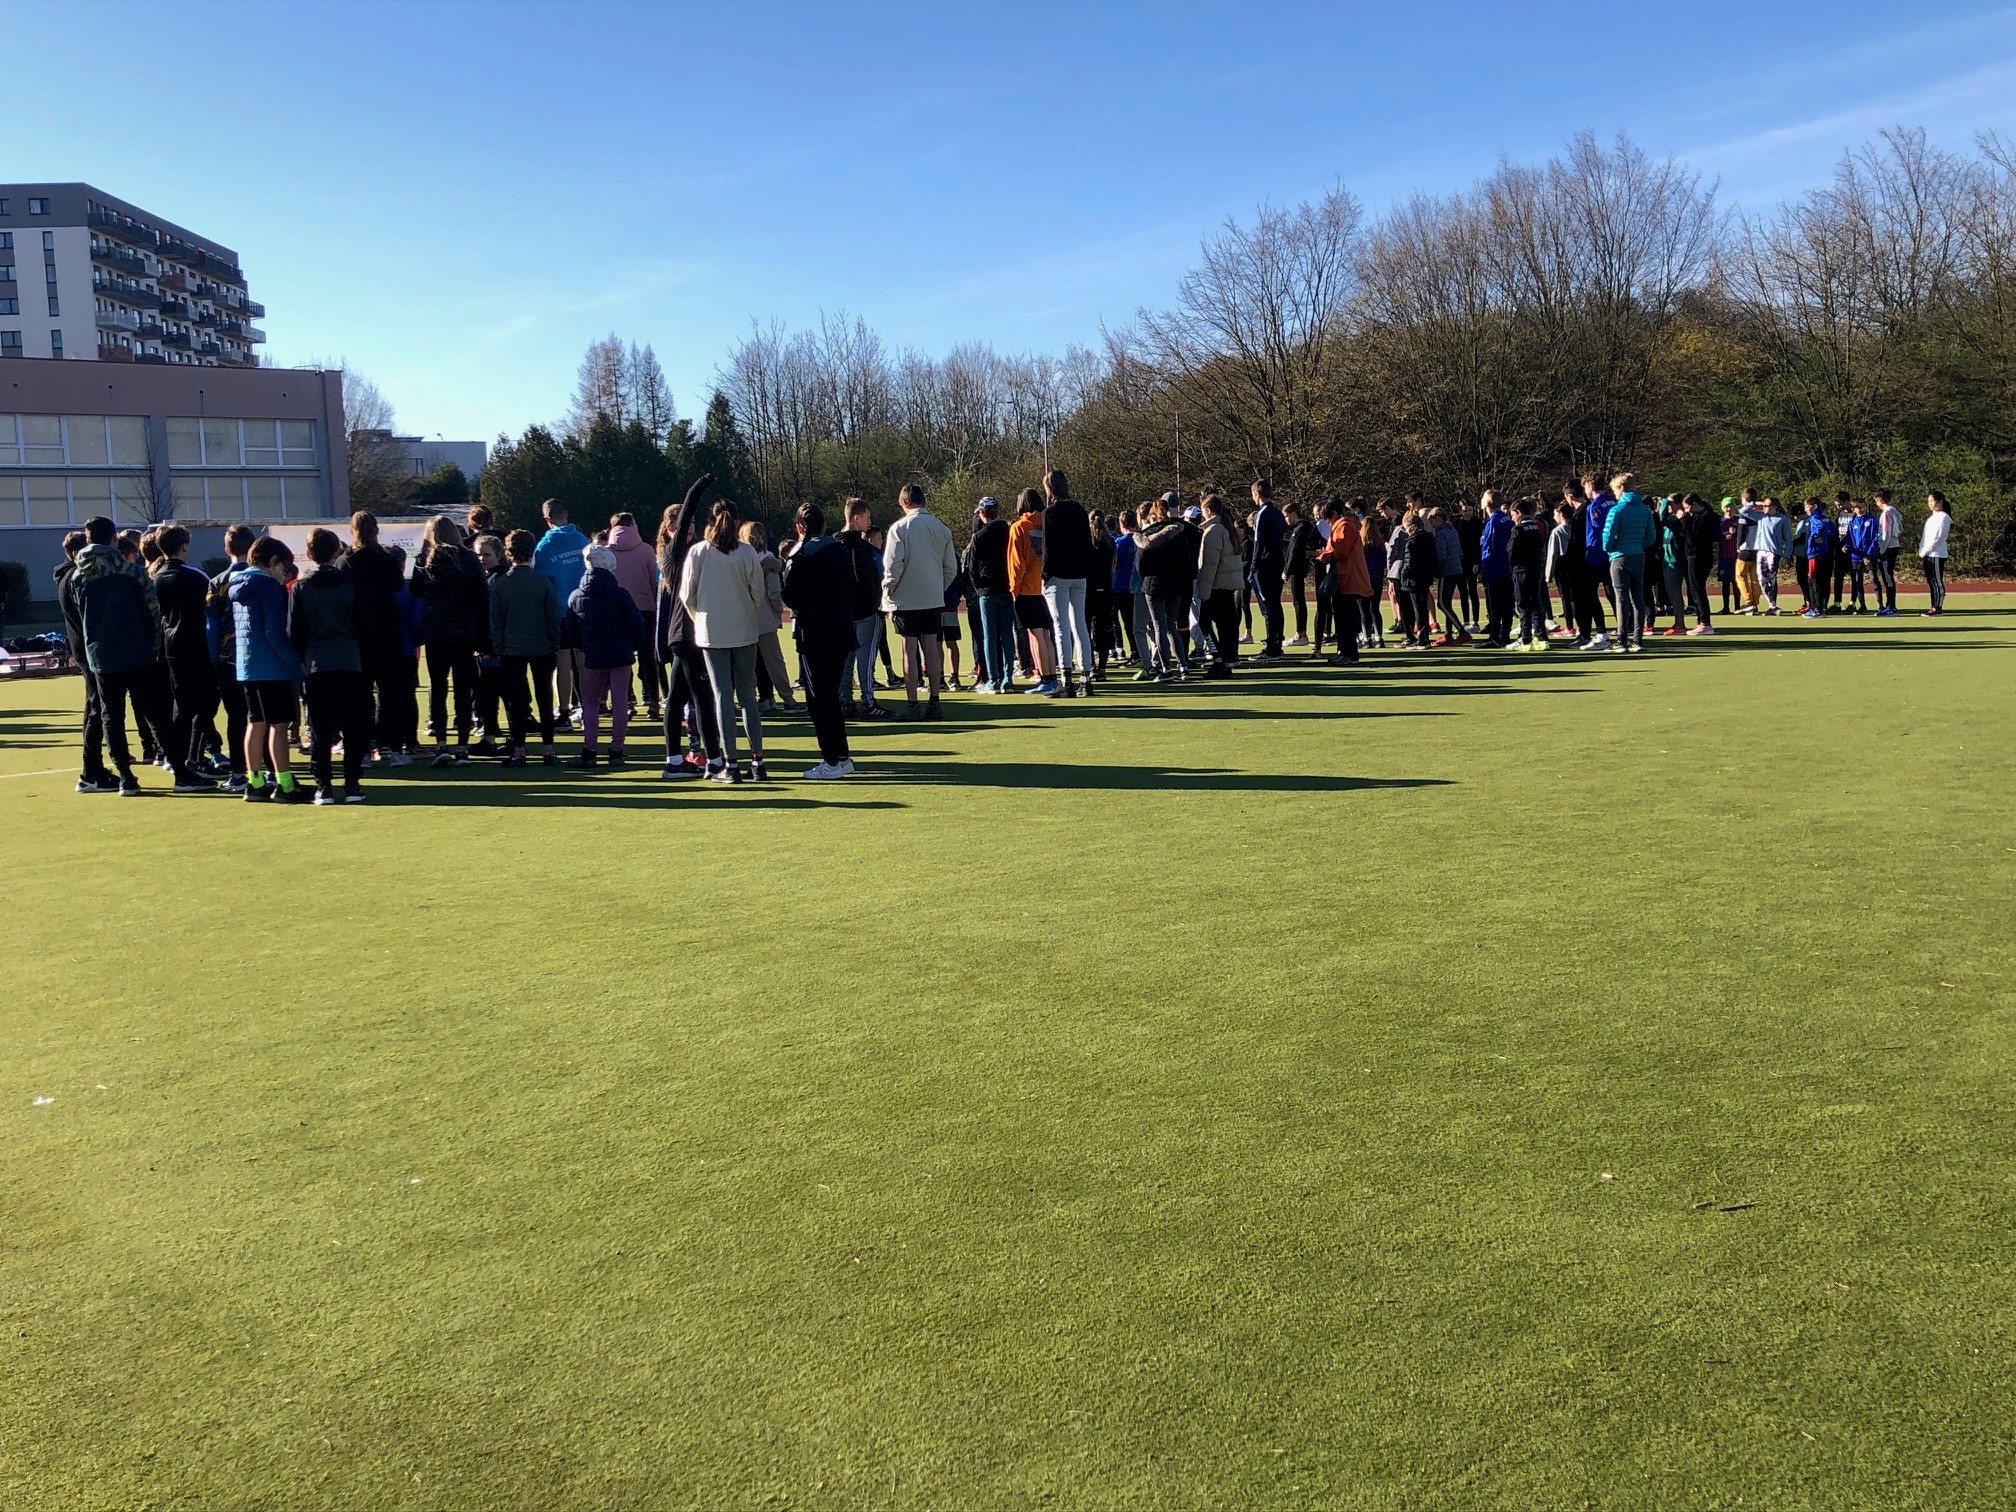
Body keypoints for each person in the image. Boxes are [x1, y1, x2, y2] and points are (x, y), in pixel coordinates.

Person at [63, 516, 214, 796]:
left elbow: (80, 615)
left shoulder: (76, 577)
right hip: (137, 652)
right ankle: (180, 773)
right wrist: (153, 647)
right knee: (157, 715)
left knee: (112, 717)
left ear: (88, 540)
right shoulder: (131, 572)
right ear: (113, 538)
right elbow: (152, 613)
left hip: (100, 655)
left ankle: (126, 777)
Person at [679, 500, 770, 781]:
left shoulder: (698, 552)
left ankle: (730, 764)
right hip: (744, 629)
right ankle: (757, 761)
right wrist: (747, 614)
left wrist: (700, 619)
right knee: (747, 697)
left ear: (710, 520)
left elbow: (687, 595)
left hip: (712, 631)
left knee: (722, 696)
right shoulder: (747, 552)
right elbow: (758, 593)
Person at [286, 527, 370, 804]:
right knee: (353, 725)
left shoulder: (301, 587)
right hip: (349, 660)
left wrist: (303, 657)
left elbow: (294, 631)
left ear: (308, 554)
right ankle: (352, 784)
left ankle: (323, 786)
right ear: (337, 552)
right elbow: (363, 624)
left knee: (319, 727)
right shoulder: (351, 584)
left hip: (316, 663)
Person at [655, 472, 725, 776]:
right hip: (688, 633)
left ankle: (674, 761)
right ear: (670, 527)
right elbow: (687, 511)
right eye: (686, 522)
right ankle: (715, 760)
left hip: (684, 635)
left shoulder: (699, 548)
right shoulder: (673, 552)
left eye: (695, 522)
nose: (691, 526)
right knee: (703, 698)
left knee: (676, 698)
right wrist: (703, 483)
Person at [780, 504, 857, 779]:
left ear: (800, 527)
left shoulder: (801, 556)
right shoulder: (839, 551)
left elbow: (790, 596)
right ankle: (842, 757)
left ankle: (831, 761)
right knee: (831, 696)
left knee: (819, 700)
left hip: (815, 635)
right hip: (841, 632)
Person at [230, 535, 306, 801]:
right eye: (283, 566)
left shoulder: (238, 585)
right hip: (272, 666)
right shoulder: (269, 587)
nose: (285, 573)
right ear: (273, 561)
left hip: (248, 665)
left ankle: (254, 781)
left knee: (256, 723)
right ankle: (285, 784)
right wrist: (295, 659)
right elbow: (275, 632)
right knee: (279, 724)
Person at [408, 515, 487, 767]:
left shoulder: (424, 560)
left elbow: (415, 590)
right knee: (463, 690)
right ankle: (462, 747)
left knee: (438, 687)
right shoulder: (468, 559)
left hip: (436, 632)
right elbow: (481, 598)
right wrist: (484, 638)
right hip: (464, 632)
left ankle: (441, 743)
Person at [567, 541, 650, 768]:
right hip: (620, 653)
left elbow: (571, 632)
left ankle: (589, 750)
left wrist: (587, 646)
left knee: (590, 701)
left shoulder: (576, 596)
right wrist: (631, 645)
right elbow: (637, 625)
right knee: (620, 701)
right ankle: (616, 751)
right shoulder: (621, 595)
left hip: (593, 655)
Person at [150, 525, 222, 779]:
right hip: (197, 645)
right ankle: (193, 758)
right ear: (183, 546)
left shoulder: (157, 576)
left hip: (171, 645)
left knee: (182, 706)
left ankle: (177, 758)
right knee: (207, 704)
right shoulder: (195, 576)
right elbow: (211, 610)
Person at [882, 482, 961, 716]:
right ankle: (935, 701)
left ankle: (912, 705)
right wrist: (938, 587)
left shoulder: (899, 528)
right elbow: (951, 567)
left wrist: (888, 593)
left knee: (909, 650)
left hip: (906, 599)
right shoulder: (941, 528)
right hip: (932, 598)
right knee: (932, 648)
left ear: (904, 503)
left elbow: (893, 567)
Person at [490, 528, 565, 766]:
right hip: (542, 647)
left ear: (508, 553)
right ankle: (548, 750)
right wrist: (554, 643)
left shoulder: (500, 584)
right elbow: (552, 617)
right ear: (533, 552)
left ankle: (519, 750)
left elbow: (496, 621)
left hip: (511, 649)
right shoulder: (542, 583)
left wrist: (499, 647)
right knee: (545, 697)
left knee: (517, 700)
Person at [348, 512, 415, 767]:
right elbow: (397, 589)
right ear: (376, 530)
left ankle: (364, 750)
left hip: (360, 636)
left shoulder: (347, 561)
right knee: (391, 695)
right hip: (387, 634)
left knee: (361, 697)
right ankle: (393, 748)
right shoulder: (387, 561)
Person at [54, 532, 117, 793]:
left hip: (84, 649)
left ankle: (94, 769)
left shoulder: (68, 576)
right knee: (96, 709)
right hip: (89, 650)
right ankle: (91, 772)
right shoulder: (74, 578)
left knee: (95, 707)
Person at [1037, 469, 1095, 696]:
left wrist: (1045, 574)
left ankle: (1066, 680)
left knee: (1061, 627)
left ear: (1050, 488)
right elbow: (1087, 544)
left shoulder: (1049, 513)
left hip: (1058, 576)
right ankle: (1086, 679)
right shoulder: (1079, 510)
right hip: (1079, 575)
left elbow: (1048, 549)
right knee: (1080, 625)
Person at [533, 499, 590, 727]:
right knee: (583, 661)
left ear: (546, 519)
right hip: (583, 608)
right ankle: (589, 708)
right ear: (566, 513)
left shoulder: (544, 547)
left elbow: (541, 581)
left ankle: (565, 711)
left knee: (563, 662)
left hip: (559, 611)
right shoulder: (581, 540)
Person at [1134, 497, 1199, 681]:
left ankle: (1166, 668)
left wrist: (1147, 577)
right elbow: (1186, 560)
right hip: (1175, 584)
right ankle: (1183, 666)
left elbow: (1140, 565)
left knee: (1159, 627)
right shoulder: (1179, 533)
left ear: (1152, 515)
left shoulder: (1146, 535)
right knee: (1172, 627)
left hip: (1153, 584)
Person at [605, 511, 662, 719]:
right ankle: (654, 701)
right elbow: (654, 580)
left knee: (623, 658)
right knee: (648, 657)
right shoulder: (646, 550)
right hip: (645, 608)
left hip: (616, 610)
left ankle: (627, 702)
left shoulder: (606, 551)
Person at [739, 521, 798, 713]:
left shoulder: (743, 559)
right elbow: (774, 592)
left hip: (746, 619)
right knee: (774, 662)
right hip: (764, 619)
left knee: (751, 664)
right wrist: (777, 612)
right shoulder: (768, 560)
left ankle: (760, 699)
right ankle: (787, 699)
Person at [1007, 488, 1058, 695]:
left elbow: (1016, 563)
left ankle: (1045, 678)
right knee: (1045, 634)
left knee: (1035, 635)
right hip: (1046, 587)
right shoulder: (1048, 525)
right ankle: (1052, 675)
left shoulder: (1019, 527)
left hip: (1027, 589)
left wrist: (1013, 589)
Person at [1599, 474, 1656, 653]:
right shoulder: (1644, 510)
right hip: (1638, 556)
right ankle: (1637, 640)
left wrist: (1610, 549)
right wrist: (1638, 546)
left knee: (1621, 598)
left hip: (1619, 557)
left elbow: (1607, 536)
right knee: (1638, 597)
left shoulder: (1617, 510)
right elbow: (1651, 536)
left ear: (1621, 488)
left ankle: (1621, 640)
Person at [966, 497, 1016, 693]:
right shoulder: (1009, 532)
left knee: (989, 637)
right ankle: (1008, 678)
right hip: (1006, 589)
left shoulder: (979, 536)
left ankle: (993, 680)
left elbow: (972, 569)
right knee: (1007, 635)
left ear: (981, 513)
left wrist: (979, 588)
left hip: (987, 591)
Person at [1315, 501, 1371, 663]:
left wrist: (1324, 555)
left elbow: (1340, 552)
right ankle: (1344, 652)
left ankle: (1349, 654)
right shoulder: (1344, 525)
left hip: (1347, 577)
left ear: (1334, 514)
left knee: (1345, 619)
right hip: (1345, 577)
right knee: (1342, 618)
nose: (1327, 522)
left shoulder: (1345, 526)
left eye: (1327, 518)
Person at [1195, 494, 1244, 677]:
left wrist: (1203, 592)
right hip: (1227, 585)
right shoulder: (1226, 528)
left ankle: (1219, 659)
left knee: (1205, 622)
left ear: (1208, 510)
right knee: (1226, 626)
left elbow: (1210, 565)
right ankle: (1226, 661)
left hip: (1216, 586)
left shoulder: (1213, 531)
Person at [470, 532, 509, 753]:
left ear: (499, 554)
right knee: (489, 694)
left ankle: (496, 738)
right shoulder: (485, 577)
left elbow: (492, 617)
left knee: (497, 693)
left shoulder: (499, 578)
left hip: (496, 647)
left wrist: (487, 646)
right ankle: (492, 736)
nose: (482, 559)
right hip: (490, 646)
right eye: (479, 555)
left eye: (486, 554)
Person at [1248, 480, 1287, 658]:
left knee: (1268, 607)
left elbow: (1259, 543)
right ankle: (1277, 643)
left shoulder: (1261, 514)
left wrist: (1253, 567)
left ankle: (1272, 647)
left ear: (1257, 493)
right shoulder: (1278, 513)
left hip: (1265, 565)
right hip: (1278, 562)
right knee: (1276, 604)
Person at [1508, 500, 1550, 650]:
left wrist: (1511, 566)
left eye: (1513, 515)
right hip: (1535, 570)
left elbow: (1511, 552)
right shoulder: (1535, 528)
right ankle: (1541, 637)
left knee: (1523, 605)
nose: (1512, 518)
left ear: (1518, 513)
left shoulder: (1517, 530)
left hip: (1521, 571)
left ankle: (1525, 638)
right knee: (1536, 604)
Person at [1399, 509, 1439, 649]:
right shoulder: (1429, 538)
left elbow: (1408, 563)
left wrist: (1403, 576)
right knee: (1422, 608)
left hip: (1414, 580)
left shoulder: (1412, 542)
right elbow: (1434, 559)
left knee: (1418, 609)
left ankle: (1422, 639)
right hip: (1425, 578)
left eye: (1406, 527)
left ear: (1413, 527)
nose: (1406, 531)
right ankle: (1424, 636)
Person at [1477, 492, 1513, 647]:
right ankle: (1504, 635)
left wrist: (1483, 569)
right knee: (1506, 605)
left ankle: (1495, 637)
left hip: (1495, 570)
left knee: (1494, 606)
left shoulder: (1494, 522)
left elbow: (1489, 548)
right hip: (1507, 569)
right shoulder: (1508, 520)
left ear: (1488, 502)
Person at [1430, 508, 1467, 646]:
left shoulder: (1440, 533)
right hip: (1456, 569)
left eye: (1432, 522)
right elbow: (1460, 552)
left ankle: (1462, 632)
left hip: (1446, 571)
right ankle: (1449, 634)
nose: (1432, 525)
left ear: (1438, 518)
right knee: (1447, 603)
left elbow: (1441, 555)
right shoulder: (1453, 530)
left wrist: (1435, 571)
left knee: (1442, 603)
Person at [1283, 502, 1317, 646]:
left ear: (1293, 514)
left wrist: (1286, 570)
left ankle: (1301, 634)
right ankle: (1301, 632)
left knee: (1298, 600)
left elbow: (1295, 551)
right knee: (1297, 600)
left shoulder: (1301, 528)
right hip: (1296, 568)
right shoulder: (1297, 528)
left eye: (1286, 516)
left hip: (1297, 568)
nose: (1285, 519)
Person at [1800, 499, 1837, 618]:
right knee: (1820, 581)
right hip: (1822, 553)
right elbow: (1833, 531)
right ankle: (1819, 608)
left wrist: (1817, 536)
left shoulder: (1815, 518)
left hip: (1815, 553)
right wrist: (1825, 539)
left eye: (1807, 507)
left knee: (1814, 581)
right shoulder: (1824, 517)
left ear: (1814, 506)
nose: (1805, 509)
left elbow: (1819, 528)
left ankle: (1817, 609)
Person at [1732, 491, 1766, 614]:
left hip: (1746, 549)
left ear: (1744, 499)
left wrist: (1738, 545)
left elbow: (1741, 530)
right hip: (1759, 549)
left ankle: (1748, 601)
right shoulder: (1762, 514)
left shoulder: (1745, 513)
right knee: (1755, 578)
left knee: (1740, 575)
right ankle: (1755, 604)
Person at [1754, 499, 1790, 614]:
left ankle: (1772, 605)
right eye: (1764, 505)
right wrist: (1758, 503)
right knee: (1761, 579)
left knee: (1771, 578)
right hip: (1760, 551)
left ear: (1775, 507)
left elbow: (1788, 538)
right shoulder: (1760, 516)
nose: (1765, 507)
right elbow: (1744, 511)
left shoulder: (1782, 519)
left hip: (1773, 553)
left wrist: (1787, 555)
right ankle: (1771, 604)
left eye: (1767, 505)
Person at [1844, 500, 1880, 614]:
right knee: (1857, 582)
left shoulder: (1872, 520)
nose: (1862, 509)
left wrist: (1868, 554)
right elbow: (1849, 538)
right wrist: (1846, 546)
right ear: (1854, 509)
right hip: (1856, 557)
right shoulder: (1852, 523)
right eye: (1859, 508)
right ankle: (1862, 606)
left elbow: (1876, 538)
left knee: (1873, 579)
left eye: (1863, 507)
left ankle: (1880, 605)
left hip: (1869, 556)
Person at [1455, 499, 1485, 633]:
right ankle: (1465, 621)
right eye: (1464, 510)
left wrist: (1478, 562)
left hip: (1473, 562)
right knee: (1462, 591)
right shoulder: (1457, 524)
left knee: (1473, 591)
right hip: (1460, 562)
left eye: (1470, 510)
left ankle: (1475, 621)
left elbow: (1480, 545)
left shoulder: (1478, 524)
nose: (1467, 513)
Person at [1872, 489, 1903, 617]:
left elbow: (1886, 533)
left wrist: (1881, 549)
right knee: (1887, 576)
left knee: (1887, 577)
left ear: (1880, 500)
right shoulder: (1895, 511)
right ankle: (1890, 605)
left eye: (1876, 501)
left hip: (1888, 548)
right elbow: (1900, 530)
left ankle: (1891, 607)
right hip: (1893, 546)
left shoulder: (1887, 513)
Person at [1920, 492, 1951, 615]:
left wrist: (1924, 551)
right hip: (1928, 554)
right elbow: (1925, 538)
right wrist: (1922, 552)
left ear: (1940, 502)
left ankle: (1937, 607)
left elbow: (1936, 538)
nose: (1930, 504)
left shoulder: (1943, 517)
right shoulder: (1932, 518)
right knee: (1931, 582)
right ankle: (1933, 605)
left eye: (1932, 501)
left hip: (1937, 554)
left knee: (1937, 581)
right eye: (1929, 501)